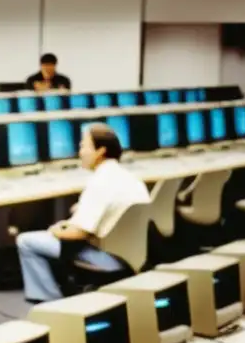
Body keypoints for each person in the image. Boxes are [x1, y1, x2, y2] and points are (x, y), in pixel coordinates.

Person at [16, 123, 149, 303]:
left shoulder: (100, 181)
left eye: (83, 146)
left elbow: (78, 233)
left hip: (108, 258)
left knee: (25, 241)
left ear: (100, 151)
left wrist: (55, 230)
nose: (80, 152)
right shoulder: (130, 178)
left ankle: (49, 302)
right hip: (134, 255)